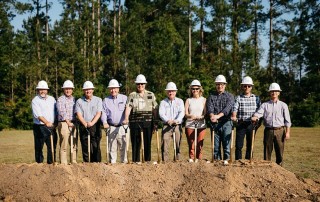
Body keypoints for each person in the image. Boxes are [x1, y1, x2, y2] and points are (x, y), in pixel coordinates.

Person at [251, 83, 291, 166]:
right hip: (268, 131)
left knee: (279, 151)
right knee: (267, 151)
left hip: (280, 131)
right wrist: (255, 117)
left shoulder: (283, 105)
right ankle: (267, 168)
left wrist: (287, 132)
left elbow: (287, 120)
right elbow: (259, 113)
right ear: (269, 93)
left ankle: (280, 168)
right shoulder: (265, 105)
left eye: (276, 91)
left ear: (279, 93)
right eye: (272, 91)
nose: (274, 93)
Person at [123, 74, 158, 163]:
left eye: (142, 84)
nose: (140, 86)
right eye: (138, 84)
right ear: (136, 85)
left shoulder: (151, 94)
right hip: (135, 122)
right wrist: (126, 118)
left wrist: (156, 122)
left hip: (148, 122)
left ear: (145, 84)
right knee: (135, 143)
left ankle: (147, 161)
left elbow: (155, 109)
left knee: (147, 143)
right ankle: (136, 161)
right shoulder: (132, 95)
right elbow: (128, 107)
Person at [231, 76, 261, 160]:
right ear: (242, 87)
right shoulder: (238, 97)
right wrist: (234, 116)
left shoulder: (256, 98)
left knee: (250, 144)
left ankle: (248, 161)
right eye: (245, 86)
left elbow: (260, 109)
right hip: (241, 123)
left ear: (251, 87)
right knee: (239, 145)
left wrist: (256, 117)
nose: (247, 88)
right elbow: (235, 108)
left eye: (249, 86)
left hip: (252, 124)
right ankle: (238, 161)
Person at [206, 75, 234, 163]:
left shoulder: (230, 96)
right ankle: (217, 163)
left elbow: (227, 109)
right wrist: (212, 116)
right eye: (218, 84)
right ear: (216, 85)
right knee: (216, 146)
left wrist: (217, 116)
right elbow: (209, 108)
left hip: (226, 123)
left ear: (225, 85)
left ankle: (227, 162)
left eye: (222, 84)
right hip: (215, 123)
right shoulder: (211, 96)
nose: (220, 86)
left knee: (226, 145)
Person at [101, 79, 129, 164]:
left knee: (123, 147)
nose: (113, 90)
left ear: (118, 89)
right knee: (112, 148)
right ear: (109, 89)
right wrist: (104, 122)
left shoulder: (124, 98)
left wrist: (126, 119)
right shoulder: (106, 100)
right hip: (111, 127)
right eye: (111, 88)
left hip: (122, 127)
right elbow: (104, 113)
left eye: (115, 88)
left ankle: (124, 164)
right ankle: (113, 167)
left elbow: (128, 109)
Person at [31, 80, 58, 164]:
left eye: (44, 89)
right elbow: (38, 115)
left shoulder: (52, 99)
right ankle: (39, 165)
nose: (42, 91)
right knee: (39, 147)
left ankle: (51, 164)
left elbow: (56, 112)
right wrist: (46, 122)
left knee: (52, 147)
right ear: (38, 90)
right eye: (40, 89)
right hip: (40, 127)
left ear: (47, 90)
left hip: (51, 126)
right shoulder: (35, 100)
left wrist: (55, 123)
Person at [76, 81, 102, 162]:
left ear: (93, 90)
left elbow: (98, 113)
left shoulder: (98, 100)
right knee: (85, 146)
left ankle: (96, 164)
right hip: (84, 125)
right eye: (86, 89)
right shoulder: (79, 101)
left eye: (90, 89)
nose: (88, 91)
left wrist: (92, 123)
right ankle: (87, 165)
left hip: (95, 125)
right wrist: (85, 123)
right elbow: (79, 114)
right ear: (84, 91)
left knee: (96, 146)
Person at [159, 82, 185, 162]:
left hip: (177, 125)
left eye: (172, 91)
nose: (171, 93)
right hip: (167, 126)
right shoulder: (163, 102)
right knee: (165, 145)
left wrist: (176, 120)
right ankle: (165, 162)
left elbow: (182, 112)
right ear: (167, 92)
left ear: (175, 92)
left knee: (178, 144)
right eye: (169, 91)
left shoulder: (180, 101)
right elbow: (161, 113)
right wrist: (168, 120)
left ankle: (177, 162)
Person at [185, 80, 206, 163]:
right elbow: (186, 113)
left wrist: (202, 117)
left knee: (200, 143)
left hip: (201, 124)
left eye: (197, 89)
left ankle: (199, 159)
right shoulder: (188, 100)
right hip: (190, 124)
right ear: (191, 90)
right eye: (193, 89)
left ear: (200, 89)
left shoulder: (204, 100)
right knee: (191, 143)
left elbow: (205, 113)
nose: (195, 90)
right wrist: (191, 116)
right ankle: (191, 158)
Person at [56, 80, 77, 164]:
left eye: (69, 89)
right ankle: (63, 163)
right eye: (66, 89)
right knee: (64, 143)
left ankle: (73, 161)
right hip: (64, 123)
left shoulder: (75, 99)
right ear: (63, 90)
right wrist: (68, 122)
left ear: (72, 89)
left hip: (73, 122)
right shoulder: (60, 99)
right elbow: (61, 112)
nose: (68, 90)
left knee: (74, 144)